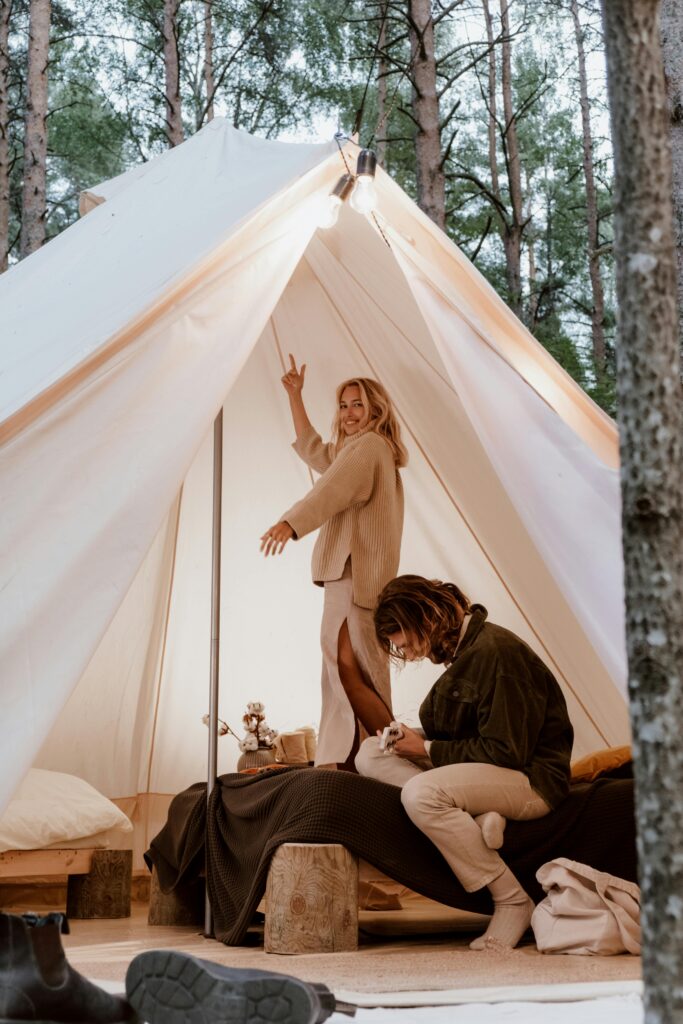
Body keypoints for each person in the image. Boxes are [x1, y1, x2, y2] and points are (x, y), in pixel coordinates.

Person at [355, 574, 574, 950]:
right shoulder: (464, 653)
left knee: (421, 795)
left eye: (407, 644)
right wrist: (413, 738)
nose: (411, 655)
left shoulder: (497, 653)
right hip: (494, 772)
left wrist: (425, 750)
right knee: (370, 752)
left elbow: (507, 752)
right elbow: (473, 732)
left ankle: (511, 900)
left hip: (530, 780)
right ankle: (472, 818)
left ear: (424, 619)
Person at [260, 356, 408, 769]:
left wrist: (290, 523)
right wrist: (295, 396)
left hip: (353, 573)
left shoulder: (369, 447)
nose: (349, 413)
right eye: (343, 405)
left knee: (348, 668)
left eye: (358, 404)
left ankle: (372, 757)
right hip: (354, 575)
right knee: (350, 668)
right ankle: (363, 757)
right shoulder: (357, 449)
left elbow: (331, 490)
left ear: (376, 409)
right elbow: (315, 452)